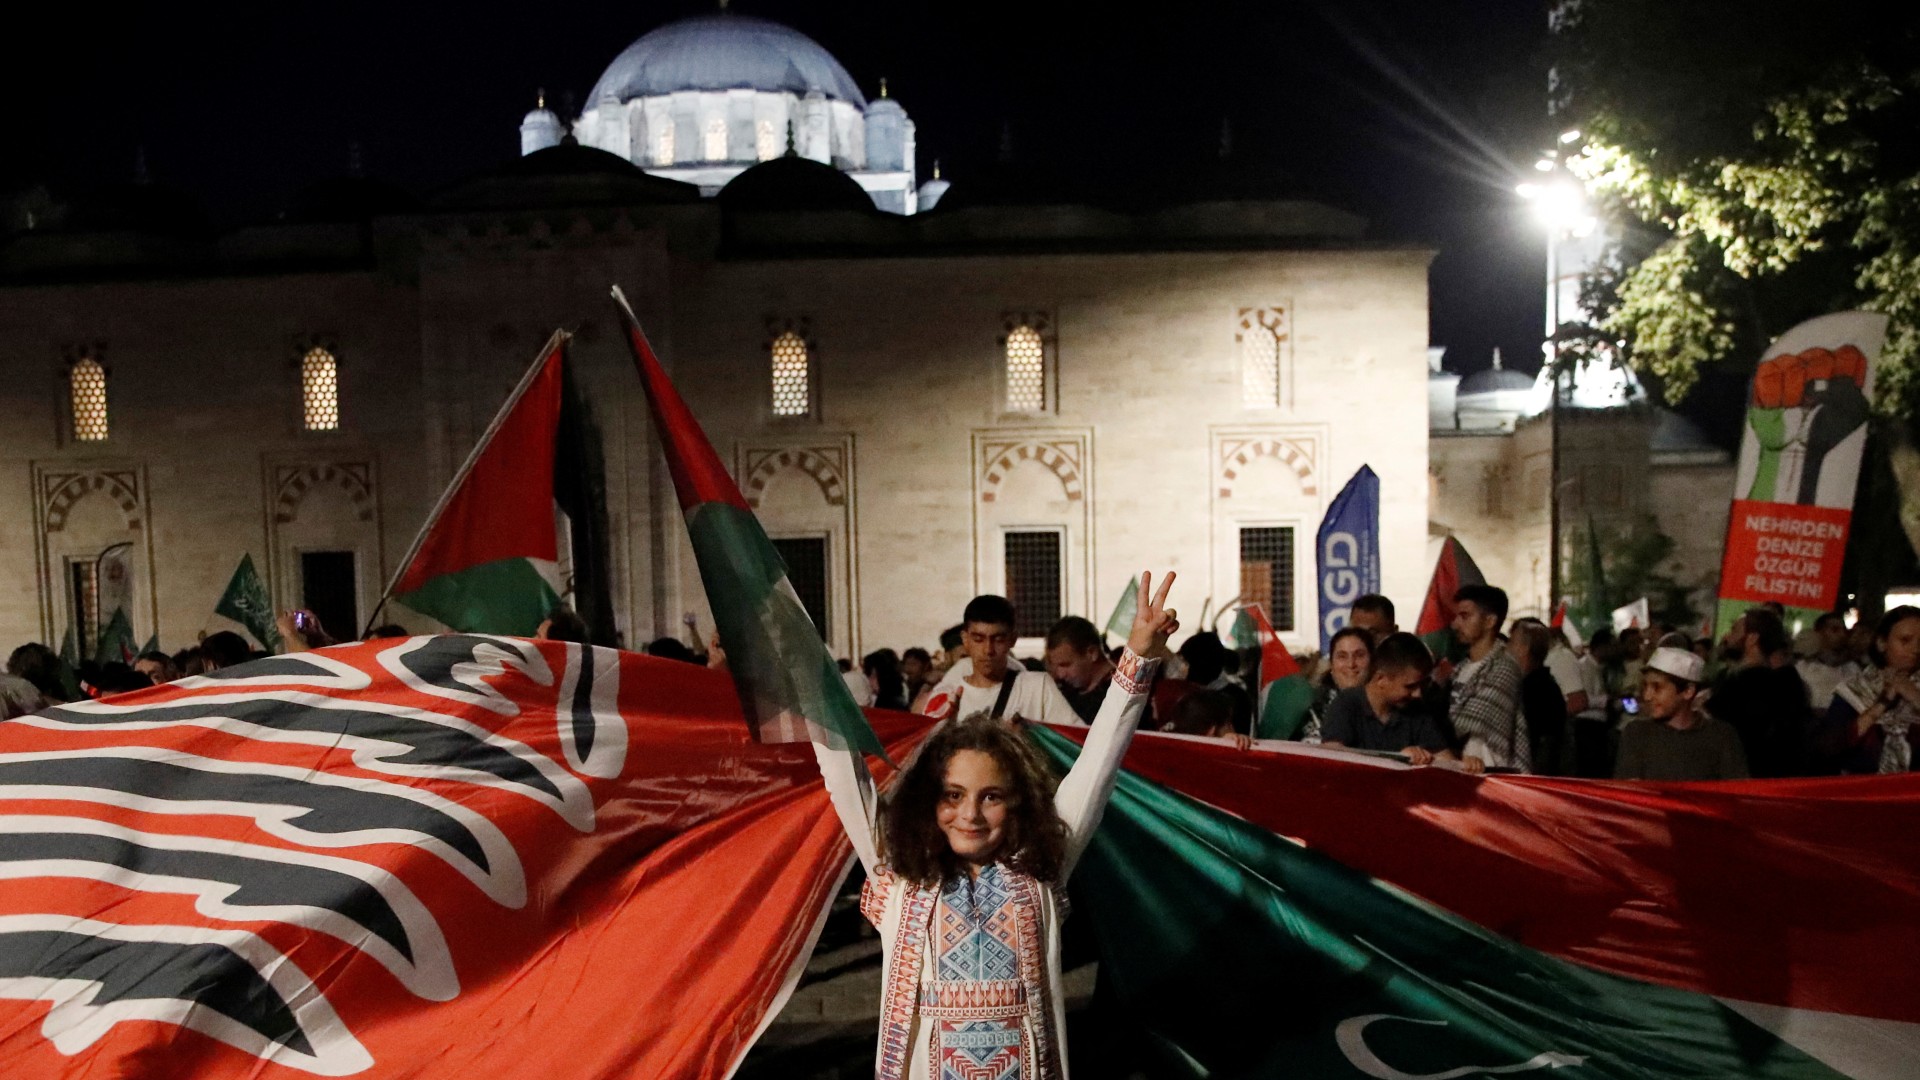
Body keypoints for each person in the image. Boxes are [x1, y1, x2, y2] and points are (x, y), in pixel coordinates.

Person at [813, 571, 1176, 1080]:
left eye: (991, 797)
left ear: (1020, 802)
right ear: (929, 801)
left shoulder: (1041, 867)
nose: (971, 814)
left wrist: (1138, 659)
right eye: (953, 795)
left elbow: (1098, 764)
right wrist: (806, 675)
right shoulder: (900, 877)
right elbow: (845, 778)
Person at [920, 596, 1079, 725]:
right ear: (965, 640)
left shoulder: (1038, 688)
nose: (988, 650)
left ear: (1012, 639)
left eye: (998, 639)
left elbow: (1077, 742)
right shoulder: (946, 696)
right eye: (978, 639)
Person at [1319, 632, 1461, 767]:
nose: (1417, 694)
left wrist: (1465, 766)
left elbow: (1445, 759)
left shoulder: (1416, 710)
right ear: (1381, 679)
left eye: (1421, 685)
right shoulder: (1346, 705)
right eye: (1410, 686)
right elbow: (1332, 755)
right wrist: (1396, 758)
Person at [1614, 647, 1749, 780]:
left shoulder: (1721, 736)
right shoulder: (1637, 734)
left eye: (1657, 687)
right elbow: (1628, 791)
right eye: (1646, 686)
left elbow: (1735, 792)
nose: (1647, 696)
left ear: (1688, 691)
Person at [1708, 607, 1813, 777]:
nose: (1728, 636)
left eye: (1735, 629)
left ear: (1752, 639)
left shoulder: (1749, 685)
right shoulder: (1743, 680)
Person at [1821, 606, 1920, 774]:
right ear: (1882, 643)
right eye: (1905, 640)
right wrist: (1881, 704)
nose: (1916, 649)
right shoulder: (1855, 689)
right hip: (1861, 792)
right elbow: (1829, 747)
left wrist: (1915, 697)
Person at [1445, 584, 1529, 772]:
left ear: (1490, 621)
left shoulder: (1504, 668)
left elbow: (1474, 721)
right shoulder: (1460, 668)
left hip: (1489, 771)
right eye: (1457, 616)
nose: (1455, 624)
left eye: (1465, 616)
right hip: (1459, 768)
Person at [1508, 619, 1568, 776]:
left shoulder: (1535, 691)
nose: (1506, 649)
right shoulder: (1544, 686)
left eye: (1511, 642)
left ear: (1524, 649)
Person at [1301, 626, 1372, 743]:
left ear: (1373, 661)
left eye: (1359, 655)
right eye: (1342, 656)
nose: (1351, 664)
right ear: (1331, 665)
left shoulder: (1387, 706)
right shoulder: (1313, 707)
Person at [1044, 616, 1116, 724]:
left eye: (1065, 665)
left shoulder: (1120, 695)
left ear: (1092, 653)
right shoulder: (1065, 691)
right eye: (1056, 667)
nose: (1060, 674)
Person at [1796, 612, 1859, 716]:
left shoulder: (1852, 669)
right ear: (1819, 633)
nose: (1842, 635)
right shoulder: (1802, 668)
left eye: (1844, 630)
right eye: (1835, 630)